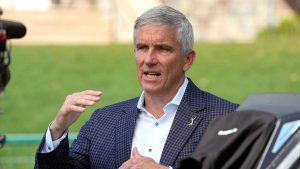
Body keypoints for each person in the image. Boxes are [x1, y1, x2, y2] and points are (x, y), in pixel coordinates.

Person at [34, 5, 239, 169]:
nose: (149, 59)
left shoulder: (227, 118)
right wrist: (57, 130)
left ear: (187, 59)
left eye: (162, 49)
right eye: (142, 48)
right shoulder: (103, 121)